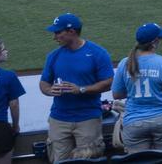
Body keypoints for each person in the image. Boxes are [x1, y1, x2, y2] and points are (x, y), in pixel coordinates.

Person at [40, 13, 113, 163]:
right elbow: (44, 83)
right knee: (59, 161)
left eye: (58, 32)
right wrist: (49, 90)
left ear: (71, 32)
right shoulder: (53, 56)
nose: (54, 36)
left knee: (89, 160)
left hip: (88, 118)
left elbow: (108, 82)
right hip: (59, 118)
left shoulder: (97, 53)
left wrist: (81, 89)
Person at [112, 23, 162, 153]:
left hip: (134, 122)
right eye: (160, 38)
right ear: (154, 42)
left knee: (140, 161)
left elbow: (117, 94)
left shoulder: (124, 63)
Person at [0, 39, 25, 164]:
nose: (6, 51)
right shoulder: (9, 76)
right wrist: (16, 125)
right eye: (4, 49)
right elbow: (14, 105)